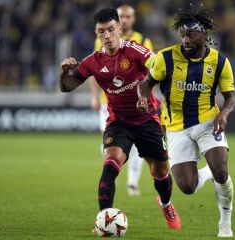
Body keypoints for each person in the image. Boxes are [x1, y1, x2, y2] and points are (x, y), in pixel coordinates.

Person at [59, 7, 181, 232]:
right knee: (110, 165)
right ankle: (103, 221)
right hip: (119, 123)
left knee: (161, 173)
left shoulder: (136, 51)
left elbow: (161, 69)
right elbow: (67, 87)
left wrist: (148, 92)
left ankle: (165, 203)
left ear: (120, 29)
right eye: (101, 31)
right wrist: (63, 73)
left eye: (111, 30)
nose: (107, 36)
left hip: (147, 120)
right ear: (97, 34)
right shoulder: (92, 61)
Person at [137, 7, 235, 237]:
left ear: (204, 34)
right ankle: (208, 173)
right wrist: (144, 98)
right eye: (182, 35)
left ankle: (225, 224)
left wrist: (224, 113)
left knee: (222, 171)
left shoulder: (219, 62)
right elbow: (145, 84)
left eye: (190, 35)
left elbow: (231, 97)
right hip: (175, 127)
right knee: (187, 188)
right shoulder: (165, 58)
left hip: (207, 122)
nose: (185, 40)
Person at [90, 4, 155, 196]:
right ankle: (111, 176)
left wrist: (145, 95)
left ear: (133, 20)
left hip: (136, 102)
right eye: (121, 17)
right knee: (109, 140)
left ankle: (132, 182)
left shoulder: (143, 40)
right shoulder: (101, 40)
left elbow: (151, 70)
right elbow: (94, 70)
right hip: (109, 101)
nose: (125, 20)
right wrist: (94, 97)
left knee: (136, 144)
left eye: (128, 17)